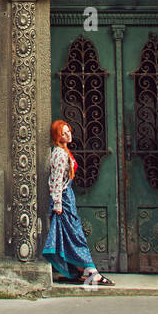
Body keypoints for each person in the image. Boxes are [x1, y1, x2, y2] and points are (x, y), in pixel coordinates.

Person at [42, 119, 114, 285]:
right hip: (64, 200)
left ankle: (79, 271)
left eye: (69, 131)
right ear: (57, 136)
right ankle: (90, 271)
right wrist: (58, 203)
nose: (68, 135)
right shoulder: (60, 154)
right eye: (64, 133)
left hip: (67, 198)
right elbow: (56, 180)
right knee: (75, 235)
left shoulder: (63, 151)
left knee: (70, 235)